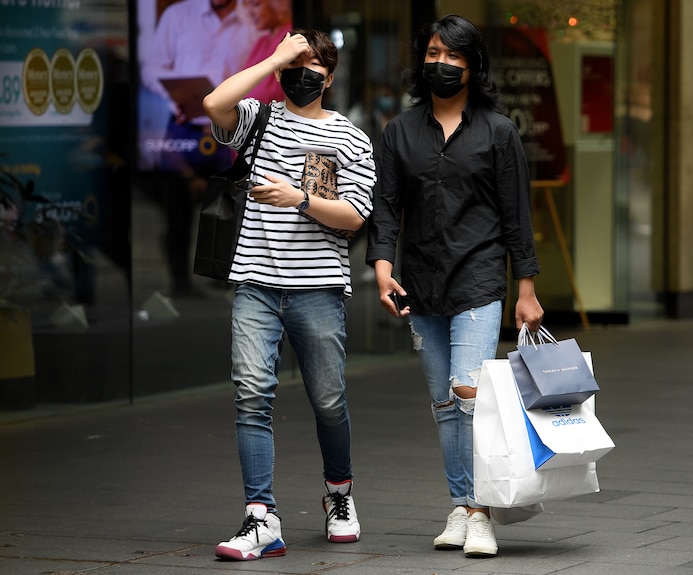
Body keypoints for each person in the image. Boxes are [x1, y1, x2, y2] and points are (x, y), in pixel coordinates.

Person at [365, 14, 544, 558]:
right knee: (444, 404)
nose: (442, 64)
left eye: (454, 56)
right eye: (434, 54)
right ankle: (462, 503)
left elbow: (516, 215)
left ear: (472, 65)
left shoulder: (499, 131)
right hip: (420, 282)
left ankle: (481, 514)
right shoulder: (400, 131)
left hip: (480, 278)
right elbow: (388, 207)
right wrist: (381, 267)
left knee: (470, 396)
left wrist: (527, 288)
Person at [202, 29, 376, 560]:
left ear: (331, 74)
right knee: (252, 395)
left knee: (328, 399)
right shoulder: (260, 120)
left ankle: (339, 495)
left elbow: (354, 216)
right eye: (294, 67)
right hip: (256, 282)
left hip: (319, 287)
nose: (303, 76)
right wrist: (274, 57)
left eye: (313, 68)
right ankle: (261, 517)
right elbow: (215, 102)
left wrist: (298, 198)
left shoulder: (351, 138)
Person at [139, 0, 256, 297]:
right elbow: (152, 67)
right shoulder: (178, 15)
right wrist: (173, 100)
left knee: (226, 207)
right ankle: (180, 283)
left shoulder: (250, 22)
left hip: (230, 128)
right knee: (177, 210)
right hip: (184, 125)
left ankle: (221, 276)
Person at [241, 0, 294, 104]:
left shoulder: (291, 38)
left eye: (256, 5)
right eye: (248, 6)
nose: (250, 13)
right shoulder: (261, 42)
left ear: (280, 3)